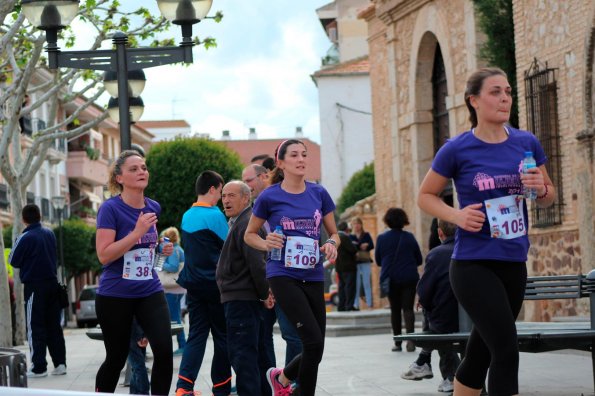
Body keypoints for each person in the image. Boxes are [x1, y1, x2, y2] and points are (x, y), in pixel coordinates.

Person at [417, 67, 556, 396]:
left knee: (480, 355)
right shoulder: (457, 148)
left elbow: (549, 197)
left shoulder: (526, 143)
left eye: (507, 91)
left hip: (513, 261)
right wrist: (458, 215)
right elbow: (425, 196)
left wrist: (541, 188)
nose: (505, 97)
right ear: (474, 100)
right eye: (495, 91)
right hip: (472, 264)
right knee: (506, 350)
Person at [245, 139, 339, 396]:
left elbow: (334, 233)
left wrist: (331, 242)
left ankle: (283, 379)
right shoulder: (269, 196)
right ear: (281, 162)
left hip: (313, 272)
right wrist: (266, 242)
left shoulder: (319, 193)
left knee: (316, 346)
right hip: (283, 274)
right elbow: (249, 234)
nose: (301, 159)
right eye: (294, 155)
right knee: (312, 340)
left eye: (304, 154)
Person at [94, 150, 174, 395]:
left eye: (144, 167)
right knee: (116, 358)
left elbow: (148, 249)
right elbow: (104, 255)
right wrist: (137, 232)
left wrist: (161, 248)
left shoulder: (153, 206)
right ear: (119, 178)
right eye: (134, 169)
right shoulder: (110, 209)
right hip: (115, 293)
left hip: (148, 289)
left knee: (164, 351)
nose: (142, 172)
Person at [175, 170, 231, 396]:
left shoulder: (187, 215)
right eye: (220, 191)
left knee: (196, 335)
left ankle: (184, 387)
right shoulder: (215, 215)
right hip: (216, 285)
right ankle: (221, 387)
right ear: (211, 189)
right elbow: (229, 247)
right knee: (222, 336)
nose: (221, 197)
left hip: (194, 285)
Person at [242, 163, 303, 366]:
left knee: (292, 335)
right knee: (261, 336)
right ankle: (270, 382)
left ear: (264, 176)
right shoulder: (252, 209)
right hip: (261, 282)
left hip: (283, 278)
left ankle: (289, 381)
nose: (246, 185)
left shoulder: (279, 203)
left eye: (249, 180)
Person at [216, 180, 273, 396]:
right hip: (242, 300)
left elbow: (258, 264)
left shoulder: (248, 223)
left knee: (244, 358)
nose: (226, 200)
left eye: (232, 195)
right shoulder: (240, 222)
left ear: (246, 198)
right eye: (224, 196)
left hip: (243, 301)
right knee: (254, 357)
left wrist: (264, 294)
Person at [401, 219, 460, 393]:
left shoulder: (437, 254)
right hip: (475, 316)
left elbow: (425, 288)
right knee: (435, 315)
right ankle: (424, 362)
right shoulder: (473, 250)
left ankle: (444, 373)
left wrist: (424, 301)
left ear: (440, 233)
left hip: (447, 320)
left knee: (433, 318)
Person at [9, 204, 67, 377]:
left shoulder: (25, 237)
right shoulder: (49, 233)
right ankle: (60, 364)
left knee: (35, 326)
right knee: (54, 326)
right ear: (40, 216)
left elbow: (13, 260)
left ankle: (39, 367)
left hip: (35, 286)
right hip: (52, 284)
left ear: (23, 219)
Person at [375, 208, 422, 353]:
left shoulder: (382, 239)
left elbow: (378, 261)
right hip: (409, 277)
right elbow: (419, 259)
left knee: (395, 310)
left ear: (387, 221)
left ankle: (397, 342)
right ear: (404, 220)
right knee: (408, 309)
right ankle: (411, 340)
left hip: (391, 278)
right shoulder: (409, 237)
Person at [159, 226, 187, 355]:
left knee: (174, 318)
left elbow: (174, 267)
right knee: (176, 316)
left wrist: (159, 265)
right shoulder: (179, 249)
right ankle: (182, 345)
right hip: (177, 288)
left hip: (172, 289)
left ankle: (182, 345)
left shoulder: (173, 250)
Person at [349, 217, 374, 310]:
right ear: (352, 225)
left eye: (358, 223)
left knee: (367, 282)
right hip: (355, 262)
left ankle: (369, 304)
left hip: (365, 261)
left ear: (361, 225)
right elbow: (349, 249)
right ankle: (356, 305)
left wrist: (367, 245)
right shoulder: (350, 236)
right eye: (354, 223)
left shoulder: (366, 235)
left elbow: (372, 245)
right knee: (356, 284)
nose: (356, 225)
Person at [335, 221, 357, 311]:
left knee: (342, 287)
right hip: (348, 266)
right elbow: (352, 250)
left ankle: (341, 306)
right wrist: (355, 245)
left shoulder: (336, 237)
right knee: (349, 286)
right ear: (346, 228)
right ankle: (349, 306)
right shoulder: (344, 237)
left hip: (339, 266)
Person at [128, 319, 149, 395]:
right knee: (137, 366)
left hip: (133, 330)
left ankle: (143, 393)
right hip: (139, 328)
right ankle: (135, 392)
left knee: (138, 366)